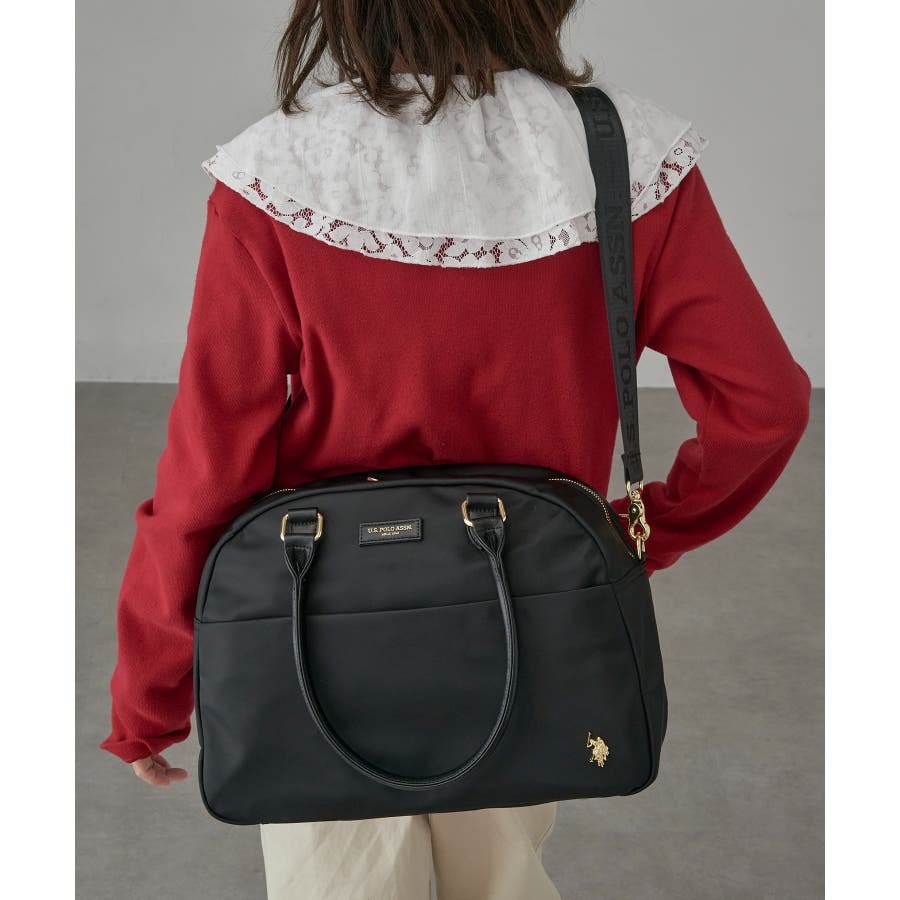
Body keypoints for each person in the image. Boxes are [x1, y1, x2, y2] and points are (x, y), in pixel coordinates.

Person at [99, 1, 812, 897]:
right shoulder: (623, 152)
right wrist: (632, 539)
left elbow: (208, 472)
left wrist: (152, 691)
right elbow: (766, 404)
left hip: (320, 618)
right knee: (503, 874)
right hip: (531, 608)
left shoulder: (283, 169)